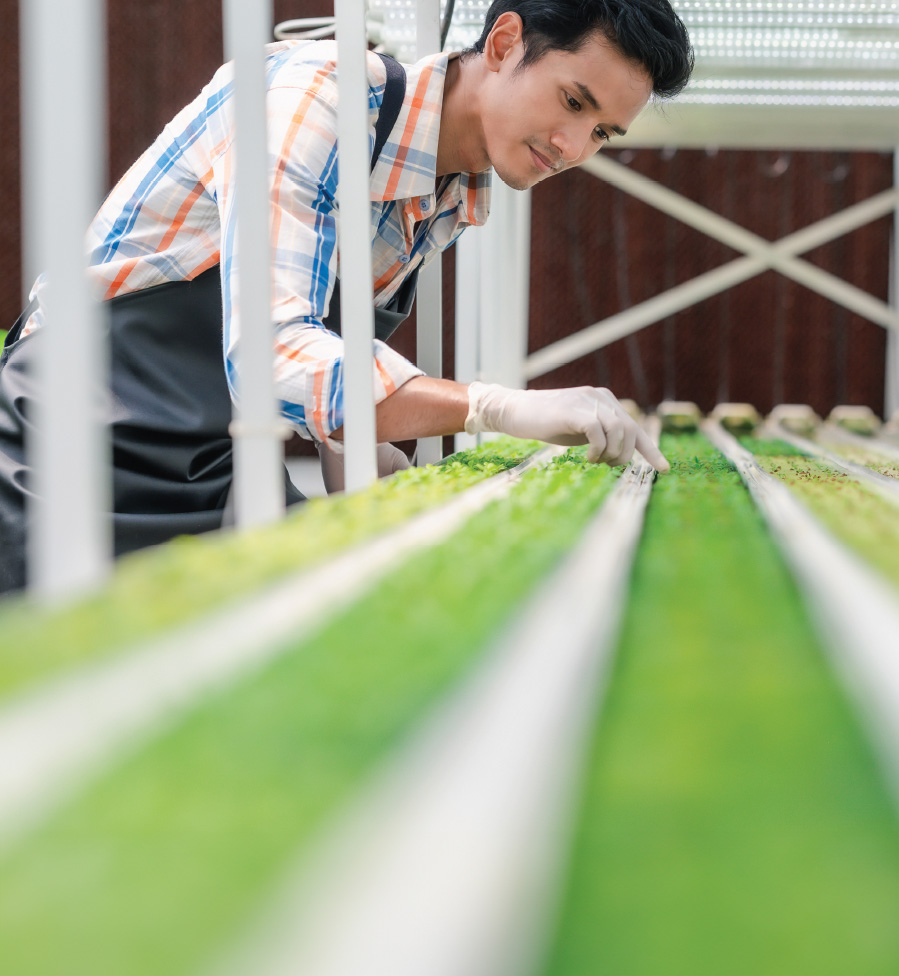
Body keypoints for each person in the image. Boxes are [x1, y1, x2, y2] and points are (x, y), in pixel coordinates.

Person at [0, 0, 694, 592]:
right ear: (506, 43)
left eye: (603, 132)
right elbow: (273, 353)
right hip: (72, 439)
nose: (574, 147)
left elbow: (325, 330)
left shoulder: (453, 188)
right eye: (575, 102)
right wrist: (496, 406)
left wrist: (350, 440)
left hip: (211, 457)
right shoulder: (313, 100)